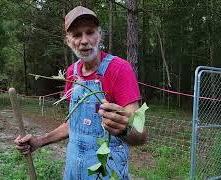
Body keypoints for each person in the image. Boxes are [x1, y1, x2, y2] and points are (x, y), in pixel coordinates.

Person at [14, 6, 147, 180]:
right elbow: (73, 125)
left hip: (106, 171)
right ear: (68, 40)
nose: (84, 40)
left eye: (90, 32)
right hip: (73, 170)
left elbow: (141, 134)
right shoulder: (72, 73)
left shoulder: (119, 69)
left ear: (99, 35)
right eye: (76, 35)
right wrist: (39, 141)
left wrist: (124, 129)